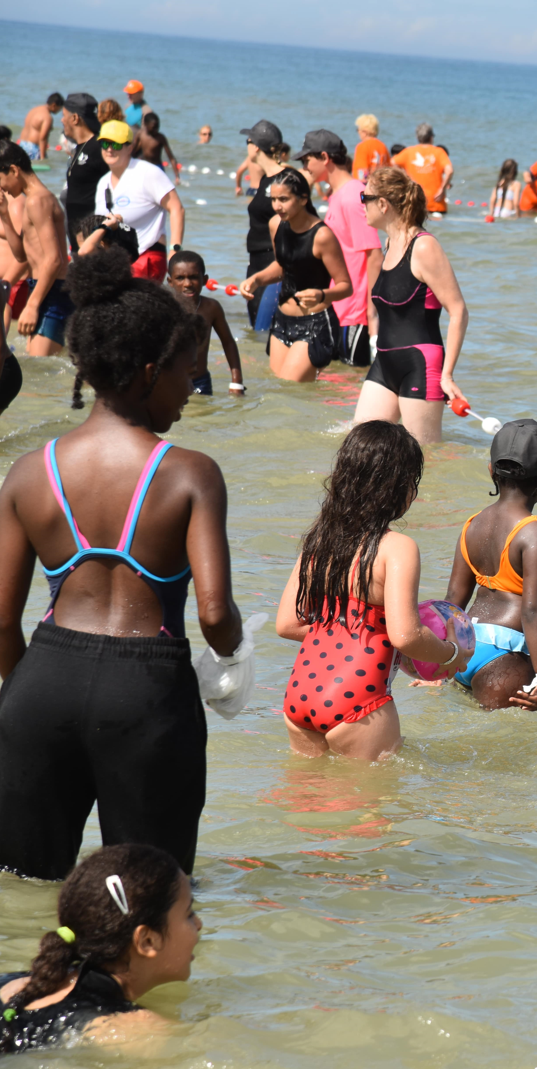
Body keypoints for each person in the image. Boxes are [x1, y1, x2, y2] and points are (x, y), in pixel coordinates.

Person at [0, 248, 244, 880]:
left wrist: (38, 692)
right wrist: (233, 659)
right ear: (144, 372)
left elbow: (1, 622)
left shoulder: (30, 471)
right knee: (147, 900)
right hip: (146, 690)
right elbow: (215, 615)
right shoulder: (191, 473)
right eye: (186, 373)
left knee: (26, 891)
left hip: (40, 687)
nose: (192, 389)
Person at [275, 421, 469, 761]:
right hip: (357, 700)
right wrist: (451, 654)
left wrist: (346, 630)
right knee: (372, 809)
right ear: (398, 487)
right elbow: (405, 636)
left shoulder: (318, 541)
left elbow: (287, 624)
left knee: (305, 800)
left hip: (301, 694)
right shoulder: (397, 548)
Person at [0, 844, 201, 1053]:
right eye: (189, 914)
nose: (199, 924)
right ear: (147, 941)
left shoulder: (14, 985)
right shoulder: (138, 1032)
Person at [444, 420, 537, 710]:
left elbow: (452, 600)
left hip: (466, 647)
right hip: (506, 655)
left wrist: (441, 660)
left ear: (490, 470)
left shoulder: (473, 524)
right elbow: (533, 609)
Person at [355, 167, 467, 444]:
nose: (362, 205)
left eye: (364, 197)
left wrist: (447, 375)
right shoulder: (389, 243)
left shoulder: (424, 247)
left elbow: (458, 311)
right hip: (384, 363)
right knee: (359, 446)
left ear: (383, 204)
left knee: (425, 459)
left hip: (420, 365)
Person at [239, 168, 350, 382]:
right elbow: (282, 267)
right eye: (273, 200)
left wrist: (321, 295)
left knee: (291, 388)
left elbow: (346, 286)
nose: (277, 206)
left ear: (303, 199)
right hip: (282, 321)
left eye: (284, 199)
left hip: (315, 323)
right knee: (279, 393)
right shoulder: (275, 225)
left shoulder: (322, 235)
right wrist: (257, 279)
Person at [298, 130, 381, 367]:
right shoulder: (338, 195)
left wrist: (372, 316)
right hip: (338, 308)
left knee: (350, 389)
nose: (305, 167)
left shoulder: (354, 195)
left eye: (307, 160)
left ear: (325, 157)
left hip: (355, 314)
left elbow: (375, 256)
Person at [0, 140, 72, 357]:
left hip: (51, 293)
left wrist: (31, 305)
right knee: (36, 372)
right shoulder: (31, 199)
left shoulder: (37, 201)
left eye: (0, 179)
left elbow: (55, 260)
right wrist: (4, 214)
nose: (1, 187)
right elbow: (22, 254)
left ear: (14, 170)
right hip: (41, 289)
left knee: (41, 376)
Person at [93, 120, 185, 281]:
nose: (109, 149)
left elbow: (176, 208)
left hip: (146, 256)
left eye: (116, 145)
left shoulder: (147, 173)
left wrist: (175, 250)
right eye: (105, 143)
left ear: (129, 147)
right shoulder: (103, 182)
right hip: (114, 263)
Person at [167, 251, 243, 395]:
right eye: (180, 278)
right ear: (170, 282)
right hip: (169, 381)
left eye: (194, 277)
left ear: (205, 279)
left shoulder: (211, 308)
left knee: (204, 415)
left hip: (200, 381)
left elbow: (228, 342)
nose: (187, 284)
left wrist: (236, 381)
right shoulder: (164, 308)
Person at [235, 121, 287, 329]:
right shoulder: (265, 180)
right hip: (256, 260)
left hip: (272, 262)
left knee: (265, 329)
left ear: (255, 147)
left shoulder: (284, 179)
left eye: (248, 141)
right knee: (256, 329)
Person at [58, 94, 106, 253]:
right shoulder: (79, 147)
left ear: (75, 118)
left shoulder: (99, 148)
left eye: (64, 116)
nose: (61, 120)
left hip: (93, 242)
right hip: (76, 239)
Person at [398, 124, 452, 218]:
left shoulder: (409, 152)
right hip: (436, 203)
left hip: (414, 204)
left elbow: (391, 164)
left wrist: (404, 178)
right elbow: (450, 171)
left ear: (417, 137)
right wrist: (442, 189)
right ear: (431, 137)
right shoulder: (439, 152)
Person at [19, 94, 63, 161]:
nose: (59, 110)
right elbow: (43, 138)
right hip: (32, 148)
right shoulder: (47, 117)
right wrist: (43, 158)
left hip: (22, 144)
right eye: (59, 108)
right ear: (54, 105)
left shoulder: (34, 110)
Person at [352, 114, 389, 180]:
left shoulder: (362, 146)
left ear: (364, 131)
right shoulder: (383, 146)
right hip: (381, 185)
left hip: (367, 186)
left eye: (358, 129)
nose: (358, 132)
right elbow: (389, 169)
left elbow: (362, 174)